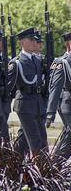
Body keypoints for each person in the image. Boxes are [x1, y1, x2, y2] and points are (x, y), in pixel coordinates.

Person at [8, 27, 47, 156]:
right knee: (37, 142)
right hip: (24, 105)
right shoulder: (16, 63)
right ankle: (41, 172)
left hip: (37, 105)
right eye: (30, 40)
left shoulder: (37, 60)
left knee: (29, 140)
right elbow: (9, 87)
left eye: (34, 40)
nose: (34, 42)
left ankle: (15, 165)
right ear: (22, 42)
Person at [46, 32, 71, 160]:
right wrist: (50, 113)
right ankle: (55, 165)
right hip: (68, 104)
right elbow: (55, 88)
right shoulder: (62, 62)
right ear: (69, 43)